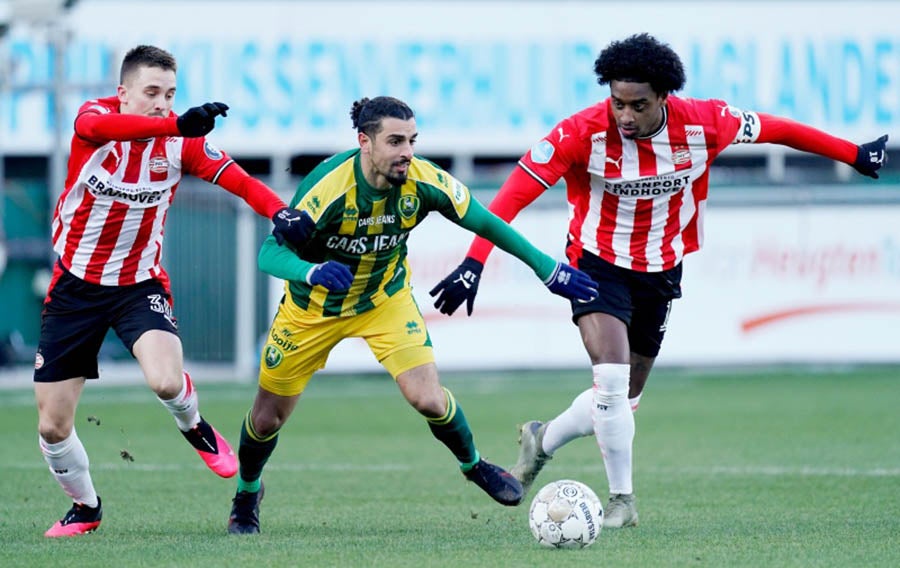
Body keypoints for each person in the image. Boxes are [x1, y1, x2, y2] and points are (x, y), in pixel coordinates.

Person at [429, 33, 889, 528]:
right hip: (595, 263)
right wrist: (475, 260)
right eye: (617, 102)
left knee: (621, 402)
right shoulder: (580, 133)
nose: (624, 115)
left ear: (664, 97)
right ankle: (622, 501)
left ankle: (543, 440)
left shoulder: (707, 123)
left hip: (661, 268)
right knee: (609, 375)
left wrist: (853, 155)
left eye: (638, 105)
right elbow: (510, 197)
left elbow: (776, 129)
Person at [225, 96, 599, 535]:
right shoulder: (328, 187)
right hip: (311, 309)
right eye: (395, 141)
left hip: (385, 299)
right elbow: (270, 253)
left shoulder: (423, 180)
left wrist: (546, 267)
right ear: (364, 142)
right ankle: (248, 492)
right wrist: (312, 271)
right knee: (268, 417)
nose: (407, 151)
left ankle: (474, 465)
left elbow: (487, 222)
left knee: (429, 398)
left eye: (412, 141)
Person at [34, 45, 310, 538]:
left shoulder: (182, 142)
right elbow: (100, 130)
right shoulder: (96, 118)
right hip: (75, 287)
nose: (163, 103)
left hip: (139, 284)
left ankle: (195, 427)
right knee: (53, 427)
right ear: (123, 94)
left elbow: (240, 181)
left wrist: (279, 211)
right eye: (152, 93)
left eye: (171, 95)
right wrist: (176, 123)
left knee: (166, 381)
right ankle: (86, 507)